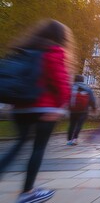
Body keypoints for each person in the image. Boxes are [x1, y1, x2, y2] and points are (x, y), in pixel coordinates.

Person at [0, 19, 73, 203]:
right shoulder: (54, 52)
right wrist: (60, 106)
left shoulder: (25, 49)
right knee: (38, 148)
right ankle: (27, 192)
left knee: (17, 146)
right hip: (43, 107)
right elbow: (61, 82)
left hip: (20, 107)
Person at [67, 74, 96, 145]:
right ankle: (75, 139)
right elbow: (92, 100)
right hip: (83, 110)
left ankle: (69, 140)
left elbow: (67, 97)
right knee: (79, 125)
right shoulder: (87, 88)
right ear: (83, 80)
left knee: (72, 124)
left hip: (73, 110)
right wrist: (93, 108)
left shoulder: (71, 87)